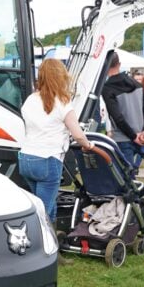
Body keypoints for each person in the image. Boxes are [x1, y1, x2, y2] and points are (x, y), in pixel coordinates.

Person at [19, 59, 96, 223]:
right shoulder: (62, 102)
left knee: (45, 202)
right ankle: (39, 237)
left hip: (26, 159)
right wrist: (88, 145)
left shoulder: (30, 99)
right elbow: (78, 134)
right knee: (43, 213)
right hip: (48, 159)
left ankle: (53, 235)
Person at [101, 51, 144, 171]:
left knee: (125, 176)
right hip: (140, 135)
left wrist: (133, 136)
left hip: (123, 138)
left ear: (104, 66)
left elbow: (117, 117)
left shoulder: (107, 88)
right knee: (131, 174)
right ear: (119, 64)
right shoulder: (136, 84)